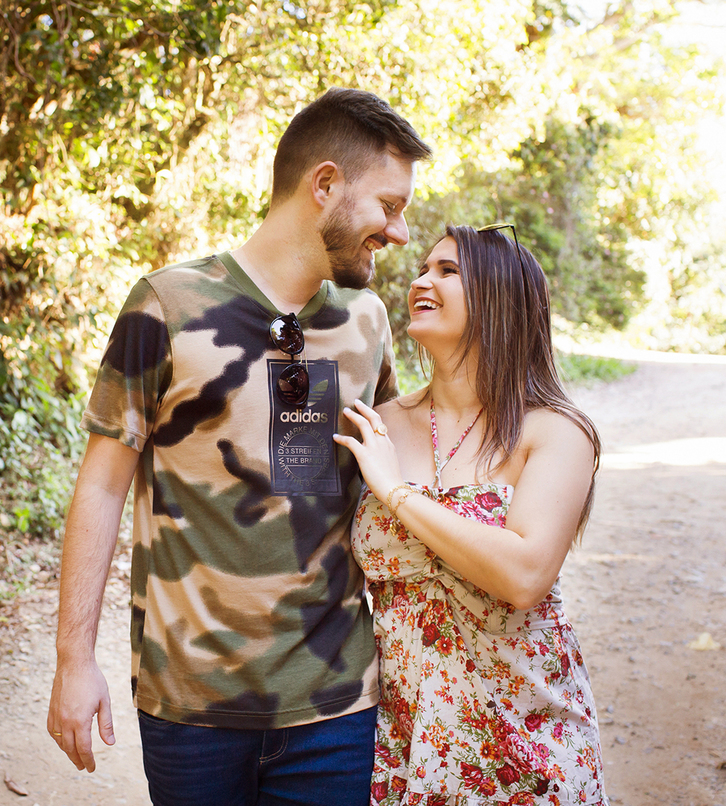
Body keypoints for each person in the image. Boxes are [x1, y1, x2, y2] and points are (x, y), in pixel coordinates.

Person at [46, 87, 433, 805]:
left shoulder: (368, 319)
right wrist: (75, 660)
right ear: (325, 186)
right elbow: (100, 486)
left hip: (336, 705)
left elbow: (400, 474)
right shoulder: (166, 305)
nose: (400, 231)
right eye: (389, 205)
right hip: (191, 704)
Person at [332, 224, 605, 805]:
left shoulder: (554, 431)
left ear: (500, 298)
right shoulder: (381, 422)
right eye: (423, 268)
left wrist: (397, 492)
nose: (420, 280)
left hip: (527, 737)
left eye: (448, 271)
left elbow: (525, 575)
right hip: (412, 742)